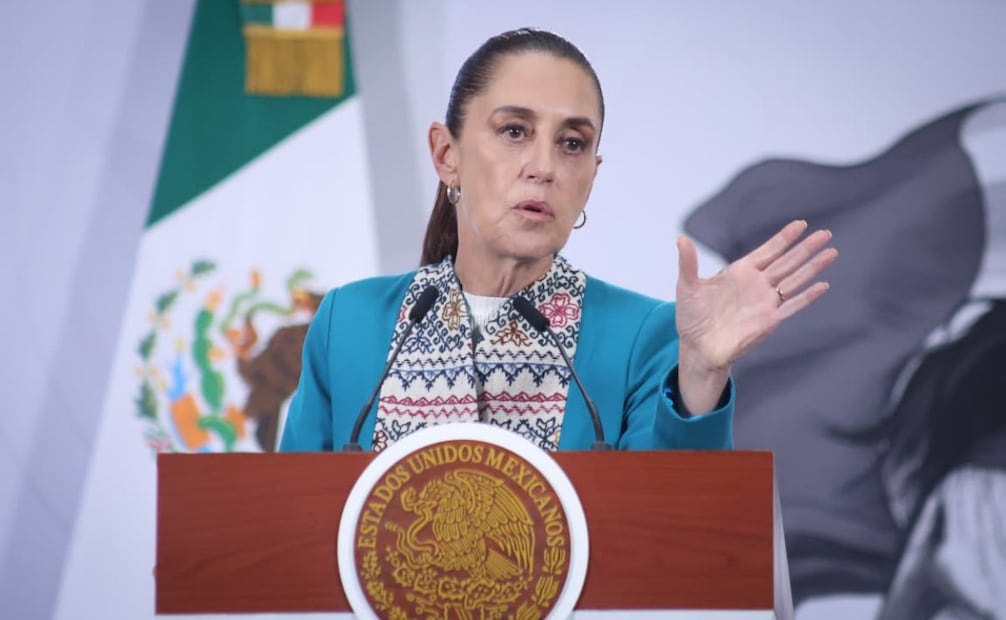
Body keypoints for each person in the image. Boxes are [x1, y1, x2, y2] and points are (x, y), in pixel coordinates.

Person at [279, 27, 836, 453]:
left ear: (590, 177)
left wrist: (702, 374)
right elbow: (288, 527)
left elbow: (673, 531)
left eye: (572, 143)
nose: (543, 167)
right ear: (447, 155)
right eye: (514, 131)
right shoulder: (347, 324)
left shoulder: (645, 338)